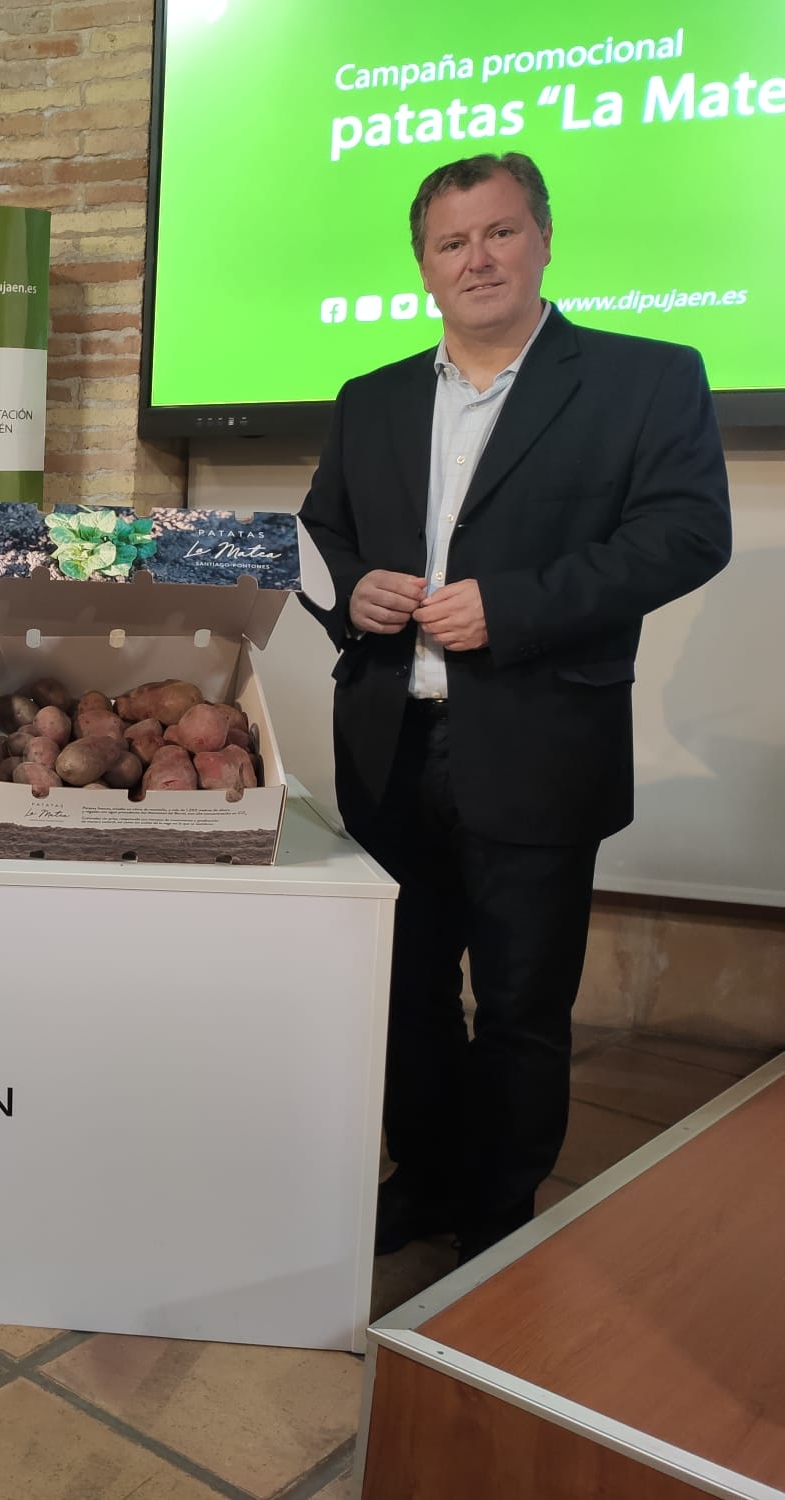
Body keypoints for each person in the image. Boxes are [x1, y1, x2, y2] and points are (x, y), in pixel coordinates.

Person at [298, 154, 732, 1262]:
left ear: (541, 239)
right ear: (422, 266)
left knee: (521, 1006)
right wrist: (353, 590)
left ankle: (498, 1211)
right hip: (390, 743)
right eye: (451, 243)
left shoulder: (644, 379)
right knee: (403, 994)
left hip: (538, 742)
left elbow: (685, 535)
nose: (475, 258)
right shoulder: (370, 399)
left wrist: (517, 607)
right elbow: (323, 531)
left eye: (497, 234)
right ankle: (427, 1178)